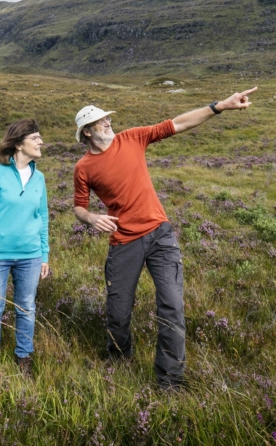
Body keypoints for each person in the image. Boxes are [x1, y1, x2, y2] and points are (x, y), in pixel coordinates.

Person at [72, 87, 257, 390]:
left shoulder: (132, 137)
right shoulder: (83, 168)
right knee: (117, 313)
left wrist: (220, 105)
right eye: (101, 121)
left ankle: (170, 381)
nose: (108, 123)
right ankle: (119, 361)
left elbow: (178, 124)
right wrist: (91, 217)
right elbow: (79, 207)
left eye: (107, 119)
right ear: (88, 133)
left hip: (160, 234)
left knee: (171, 305)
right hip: (124, 243)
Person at [0, 119, 50, 376]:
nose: (41, 142)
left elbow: (43, 218)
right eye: (35, 137)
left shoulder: (40, 178)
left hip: (30, 255)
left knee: (26, 307)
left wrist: (44, 254)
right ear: (18, 143)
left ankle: (24, 356)